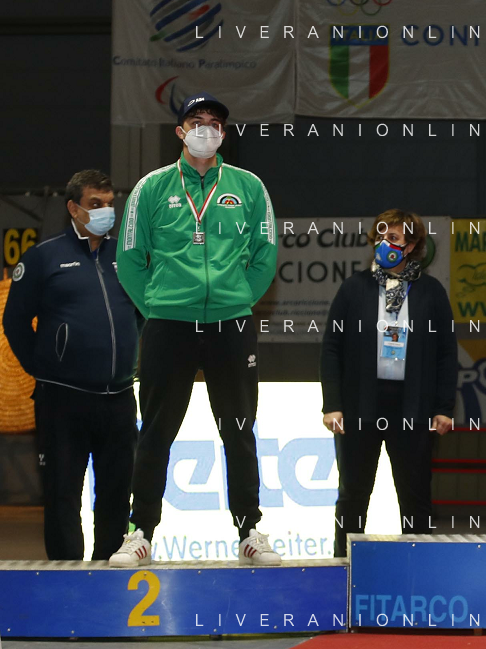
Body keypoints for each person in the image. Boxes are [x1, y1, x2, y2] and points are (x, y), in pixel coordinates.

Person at [112, 91, 279, 567]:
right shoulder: (151, 187)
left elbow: (266, 254)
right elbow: (130, 259)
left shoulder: (249, 187)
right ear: (180, 131)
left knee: (239, 430)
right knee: (156, 433)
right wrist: (160, 306)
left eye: (215, 122)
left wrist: (237, 299)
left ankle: (249, 531)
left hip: (231, 324)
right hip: (170, 324)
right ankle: (139, 532)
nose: (206, 128)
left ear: (223, 134)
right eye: (197, 120)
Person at [3, 170, 140, 560]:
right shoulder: (44, 257)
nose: (105, 211)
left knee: (116, 495)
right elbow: (14, 321)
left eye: (109, 204)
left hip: (119, 399)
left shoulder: (126, 257)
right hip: (63, 401)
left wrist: (129, 354)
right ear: (73, 208)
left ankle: (108, 572)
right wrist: (42, 367)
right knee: (63, 495)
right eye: (95, 204)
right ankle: (67, 580)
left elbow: (141, 313)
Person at [319, 210, 457, 556]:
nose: (384, 243)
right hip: (359, 404)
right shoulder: (353, 288)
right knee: (353, 493)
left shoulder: (431, 292)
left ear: (410, 246)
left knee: (415, 494)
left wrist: (443, 407)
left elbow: (446, 353)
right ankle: (344, 565)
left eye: (393, 238)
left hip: (414, 406)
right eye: (380, 237)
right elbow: (331, 347)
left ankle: (418, 566)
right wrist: (332, 404)